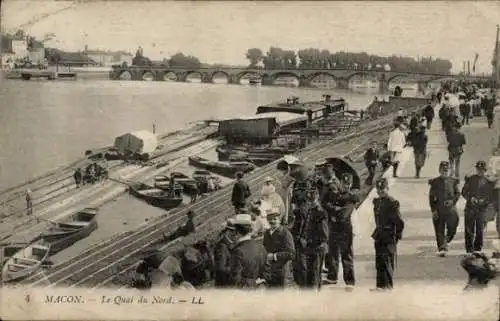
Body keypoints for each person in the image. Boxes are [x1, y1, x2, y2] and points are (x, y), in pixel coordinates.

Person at [289, 163, 328, 289]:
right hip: (309, 244)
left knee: (314, 272)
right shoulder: (310, 209)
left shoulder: (318, 212)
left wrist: (308, 240)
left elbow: (323, 235)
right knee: (311, 272)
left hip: (315, 246)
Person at [323, 172, 359, 290]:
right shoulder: (335, 194)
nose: (346, 186)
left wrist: (333, 211)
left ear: (351, 184)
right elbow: (325, 203)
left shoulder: (352, 197)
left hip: (345, 229)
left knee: (346, 254)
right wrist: (334, 209)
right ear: (341, 183)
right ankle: (332, 277)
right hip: (334, 228)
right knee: (333, 253)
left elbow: (344, 214)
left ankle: (349, 281)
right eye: (344, 183)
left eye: (348, 184)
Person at [371, 178, 405, 291]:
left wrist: (396, 236)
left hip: (389, 235)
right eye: (378, 190)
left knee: (387, 262)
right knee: (379, 261)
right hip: (379, 234)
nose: (380, 192)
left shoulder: (392, 203)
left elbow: (400, 222)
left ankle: (388, 286)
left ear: (387, 189)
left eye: (383, 189)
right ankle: (380, 286)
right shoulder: (377, 202)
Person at [462, 161, 496, 253]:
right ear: (476, 169)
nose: (480, 171)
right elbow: (464, 192)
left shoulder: (488, 182)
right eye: (478, 169)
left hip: (482, 209)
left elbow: (491, 196)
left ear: (485, 170)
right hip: (470, 208)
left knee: (480, 230)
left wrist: (484, 201)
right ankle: (469, 249)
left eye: (482, 170)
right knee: (469, 229)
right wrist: (470, 198)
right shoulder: (470, 179)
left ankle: (478, 249)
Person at [428, 161, 460, 257]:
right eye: (443, 170)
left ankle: (447, 240)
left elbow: (457, 193)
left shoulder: (454, 181)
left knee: (453, 226)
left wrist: (452, 201)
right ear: (439, 170)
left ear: (449, 170)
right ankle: (442, 248)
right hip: (439, 208)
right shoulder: (434, 182)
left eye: (446, 170)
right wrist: (433, 210)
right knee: (439, 228)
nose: (445, 172)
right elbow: (431, 197)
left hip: (451, 209)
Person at [228, 214, 267, 288]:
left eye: (233, 231)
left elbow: (235, 279)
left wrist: (253, 282)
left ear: (237, 232)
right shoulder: (261, 247)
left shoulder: (238, 251)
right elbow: (267, 271)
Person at [262, 209, 295, 288]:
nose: (272, 221)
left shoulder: (285, 233)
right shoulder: (267, 233)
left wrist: (274, 256)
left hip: (282, 272)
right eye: (270, 219)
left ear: (279, 220)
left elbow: (292, 254)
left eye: (275, 219)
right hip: (269, 271)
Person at [213, 222, 235, 288]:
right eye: (234, 231)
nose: (236, 234)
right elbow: (221, 268)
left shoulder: (230, 243)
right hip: (224, 284)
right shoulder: (222, 247)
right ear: (228, 231)